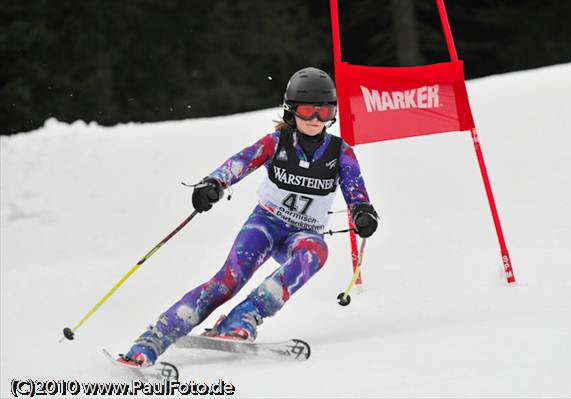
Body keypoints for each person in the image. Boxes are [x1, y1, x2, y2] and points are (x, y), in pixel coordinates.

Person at [119, 67, 379, 367]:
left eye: (325, 111)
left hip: (303, 234)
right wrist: (214, 184)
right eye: (308, 110)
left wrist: (363, 214)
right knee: (227, 282)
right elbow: (239, 163)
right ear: (292, 110)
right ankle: (153, 339)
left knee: (315, 252)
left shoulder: (340, 152)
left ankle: (243, 318)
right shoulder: (276, 142)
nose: (316, 120)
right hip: (266, 225)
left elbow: (356, 192)